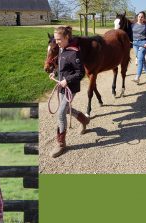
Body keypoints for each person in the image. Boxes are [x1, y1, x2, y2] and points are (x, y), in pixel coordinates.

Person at [49, 26, 90, 158]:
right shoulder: (62, 49)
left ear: (67, 37)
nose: (57, 42)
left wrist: (67, 80)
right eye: (55, 39)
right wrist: (54, 72)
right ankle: (84, 119)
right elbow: (62, 66)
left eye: (59, 39)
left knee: (61, 113)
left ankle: (61, 144)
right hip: (61, 86)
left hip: (70, 88)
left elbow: (80, 73)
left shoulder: (74, 52)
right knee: (65, 110)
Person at [131, 11, 146, 84]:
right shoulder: (133, 25)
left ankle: (137, 77)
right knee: (142, 60)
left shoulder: (145, 26)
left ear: (144, 18)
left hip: (143, 44)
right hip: (135, 44)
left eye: (142, 17)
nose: (140, 18)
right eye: (139, 16)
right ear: (137, 17)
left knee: (140, 59)